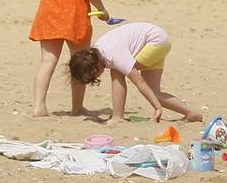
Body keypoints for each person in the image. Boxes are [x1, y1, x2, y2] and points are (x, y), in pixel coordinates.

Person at [69, 23, 202, 123]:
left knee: (118, 73)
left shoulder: (115, 56)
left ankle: (117, 116)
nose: (95, 78)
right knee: (154, 92)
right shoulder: (99, 50)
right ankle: (191, 113)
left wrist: (157, 108)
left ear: (96, 67)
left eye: (93, 76)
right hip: (159, 40)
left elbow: (140, 83)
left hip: (155, 42)